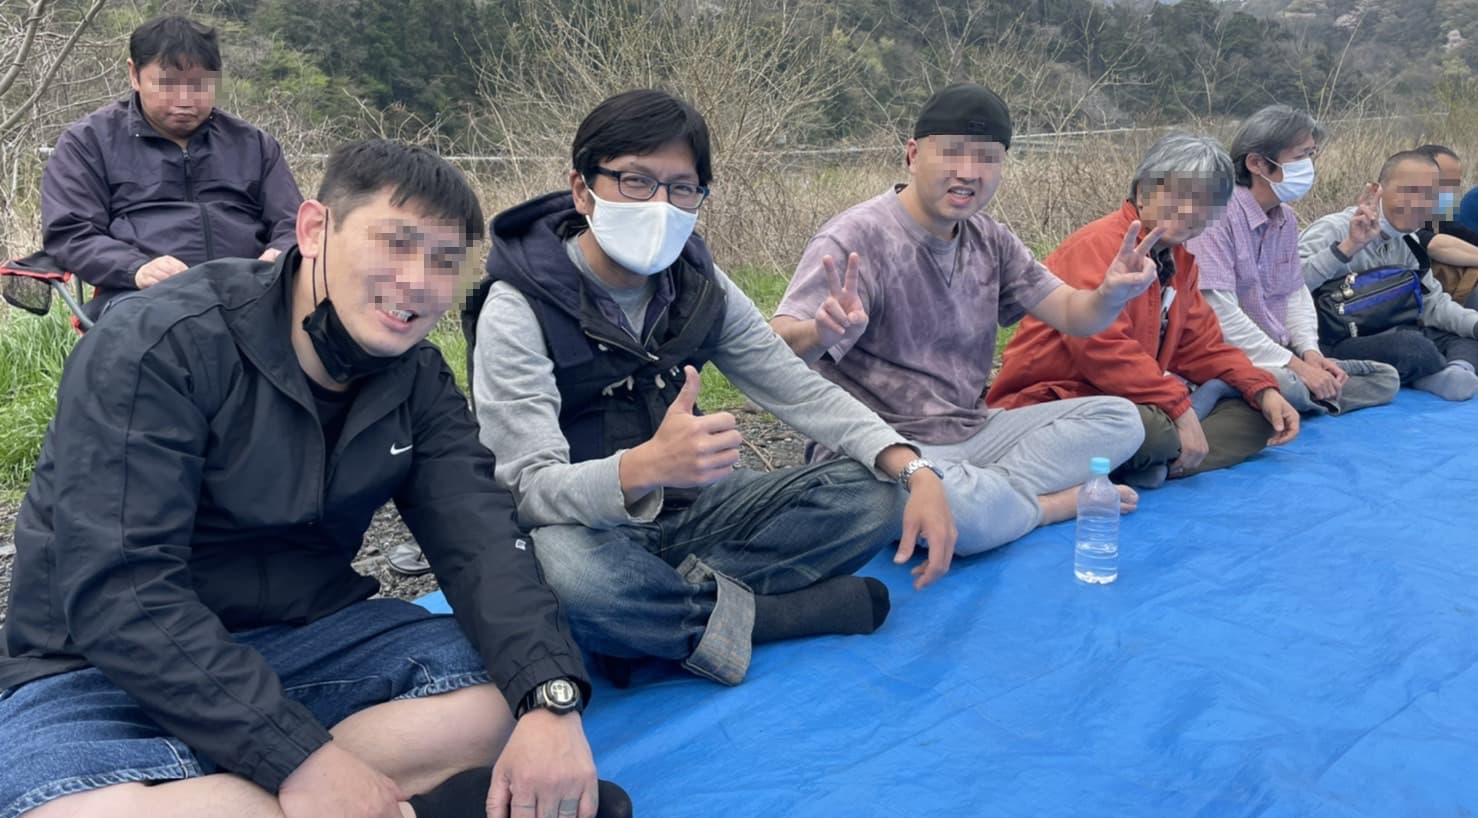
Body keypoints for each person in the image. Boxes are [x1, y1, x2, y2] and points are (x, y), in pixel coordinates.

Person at [0, 142, 632, 818]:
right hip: (104, 662)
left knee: (496, 701)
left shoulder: (414, 376)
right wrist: (301, 762)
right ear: (312, 229)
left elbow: (482, 540)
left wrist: (550, 699)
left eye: (444, 261)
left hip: (303, 638)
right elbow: (121, 594)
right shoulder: (161, 343)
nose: (417, 282)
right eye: (395, 243)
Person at [469, 89, 957, 689]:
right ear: (582, 189)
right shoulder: (517, 307)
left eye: (682, 188)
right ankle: (771, 617)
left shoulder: (699, 284)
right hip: (586, 530)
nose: (660, 205)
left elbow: (796, 388)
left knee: (875, 494)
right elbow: (524, 488)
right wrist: (642, 468)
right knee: (566, 576)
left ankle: (653, 625)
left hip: (697, 513)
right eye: (635, 181)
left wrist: (913, 468)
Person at [772, 82, 1153, 557]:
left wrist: (1111, 294)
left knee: (1121, 420)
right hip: (885, 450)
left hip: (974, 431)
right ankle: (1046, 506)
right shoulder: (856, 237)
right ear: (913, 155)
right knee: (963, 513)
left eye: (987, 158)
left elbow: (1074, 313)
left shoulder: (989, 239)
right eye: (952, 153)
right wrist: (819, 332)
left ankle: (990, 496)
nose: (969, 172)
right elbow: (774, 350)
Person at [988, 133, 1301, 488]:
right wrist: (1178, 408)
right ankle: (1155, 457)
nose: (1192, 211)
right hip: (1056, 402)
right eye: (1180, 195)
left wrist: (1262, 389)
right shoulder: (1100, 245)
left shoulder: (1179, 261)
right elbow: (1102, 348)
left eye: (1207, 201)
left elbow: (1203, 348)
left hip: (1129, 401)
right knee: (1151, 430)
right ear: (1143, 192)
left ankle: (1156, 466)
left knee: (1261, 415)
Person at [40, 14, 302, 316]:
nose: (185, 100)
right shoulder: (89, 142)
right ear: (134, 75)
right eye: (167, 84)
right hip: (141, 299)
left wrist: (279, 254)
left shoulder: (253, 144)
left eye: (199, 85)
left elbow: (294, 223)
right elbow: (71, 232)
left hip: (250, 293)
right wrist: (136, 268)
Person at [1184, 105, 1398, 415]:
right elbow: (1219, 313)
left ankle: (1282, 397)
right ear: (1257, 163)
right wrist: (1295, 365)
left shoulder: (1284, 217)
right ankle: (1261, 391)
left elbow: (1294, 295)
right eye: (1300, 157)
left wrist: (1310, 354)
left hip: (1277, 353)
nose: (1308, 166)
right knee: (1291, 381)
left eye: (1311, 154)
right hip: (1227, 355)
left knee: (1385, 378)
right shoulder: (1217, 215)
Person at [1299, 149, 1478, 400]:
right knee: (1413, 347)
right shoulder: (1333, 229)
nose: (1419, 203)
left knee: (1466, 332)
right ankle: (1433, 373)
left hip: (1392, 330)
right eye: (1410, 191)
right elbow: (1288, 287)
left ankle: (1457, 371)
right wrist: (1348, 247)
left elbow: (1434, 305)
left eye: (1430, 196)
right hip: (1338, 340)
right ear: (1377, 191)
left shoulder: (1409, 243)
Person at [1411, 145, 1478, 309]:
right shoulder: (1400, 215)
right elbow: (1434, 244)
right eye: (1443, 182)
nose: (1450, 192)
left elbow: (1462, 232)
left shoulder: (1441, 208)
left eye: (1454, 185)